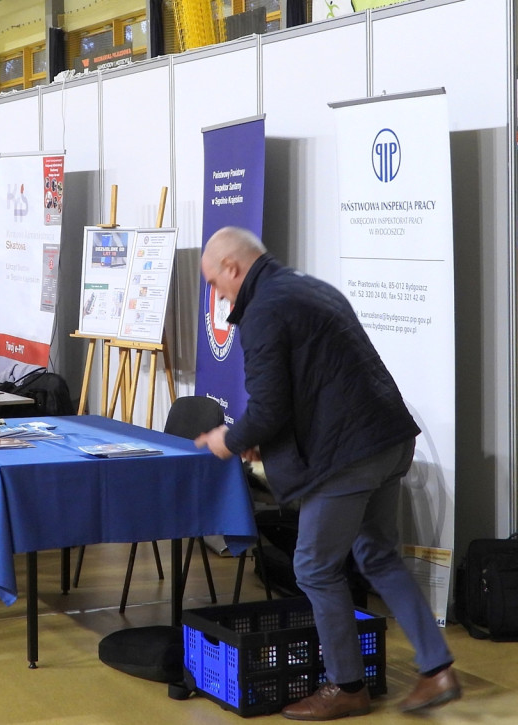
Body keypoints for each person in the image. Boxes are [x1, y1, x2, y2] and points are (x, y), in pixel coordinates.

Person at [193, 227, 460, 720]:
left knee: (314, 567)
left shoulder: (264, 309)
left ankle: (347, 686)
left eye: (215, 281)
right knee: (379, 556)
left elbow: (270, 406)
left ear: (232, 268)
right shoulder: (307, 286)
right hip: (389, 439)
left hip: (348, 456)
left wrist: (226, 440)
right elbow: (313, 385)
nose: (218, 293)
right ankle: (437, 667)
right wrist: (260, 434)